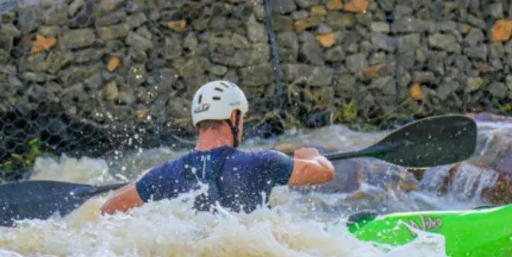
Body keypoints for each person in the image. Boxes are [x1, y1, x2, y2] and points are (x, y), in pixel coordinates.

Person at [100, 81, 336, 215]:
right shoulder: (263, 162)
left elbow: (108, 209)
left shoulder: (165, 174)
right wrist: (310, 154)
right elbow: (325, 173)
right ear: (233, 116)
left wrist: (143, 180)